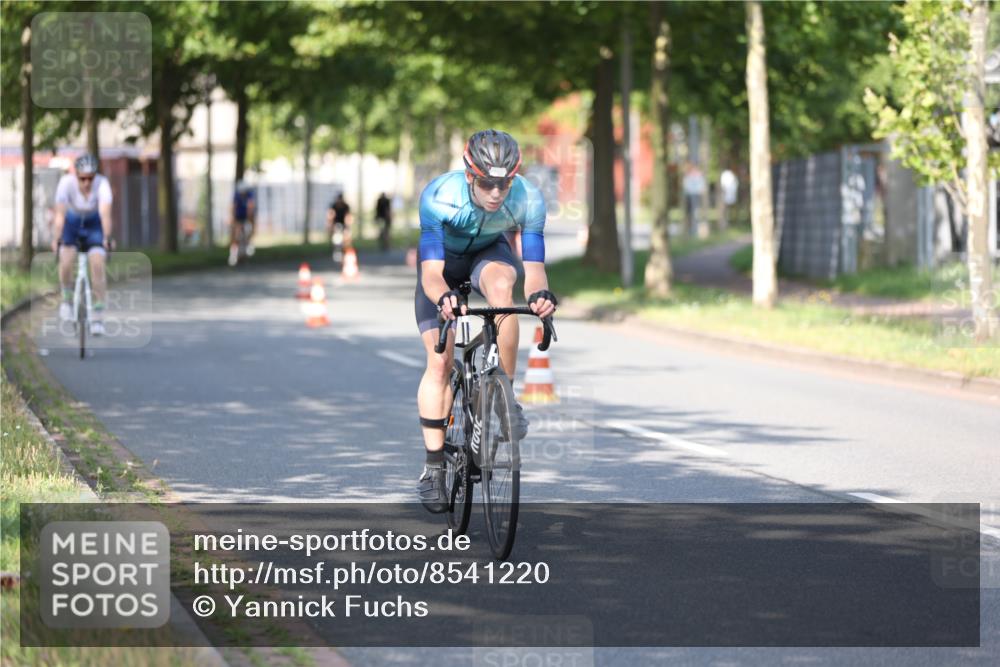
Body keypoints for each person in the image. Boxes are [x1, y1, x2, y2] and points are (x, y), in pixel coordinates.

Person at [414, 129, 557, 513]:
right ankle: (433, 468)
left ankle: (503, 396)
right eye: (487, 183)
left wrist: (540, 296)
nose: (496, 193)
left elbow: (535, 269)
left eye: (504, 184)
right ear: (468, 176)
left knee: (502, 289)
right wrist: (444, 297)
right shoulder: (438, 196)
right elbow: (431, 274)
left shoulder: (528, 198)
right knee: (440, 361)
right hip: (442, 263)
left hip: (487, 255)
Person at [51, 154, 113, 336]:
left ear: (95, 176)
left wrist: (107, 238)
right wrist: (56, 238)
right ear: (76, 174)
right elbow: (60, 215)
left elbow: (105, 215)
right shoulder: (66, 183)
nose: (87, 182)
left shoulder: (102, 184)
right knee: (66, 260)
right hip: (72, 222)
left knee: (97, 265)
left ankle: (98, 316)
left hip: (94, 223)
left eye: (90, 178)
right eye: (82, 178)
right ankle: (67, 299)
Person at [229, 180, 256, 266]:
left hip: (246, 217)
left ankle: (244, 254)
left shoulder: (249, 194)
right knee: (236, 236)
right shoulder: (236, 195)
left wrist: (250, 221)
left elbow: (250, 208)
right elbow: (233, 208)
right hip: (238, 217)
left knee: (246, 234)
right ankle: (233, 255)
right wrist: (233, 219)